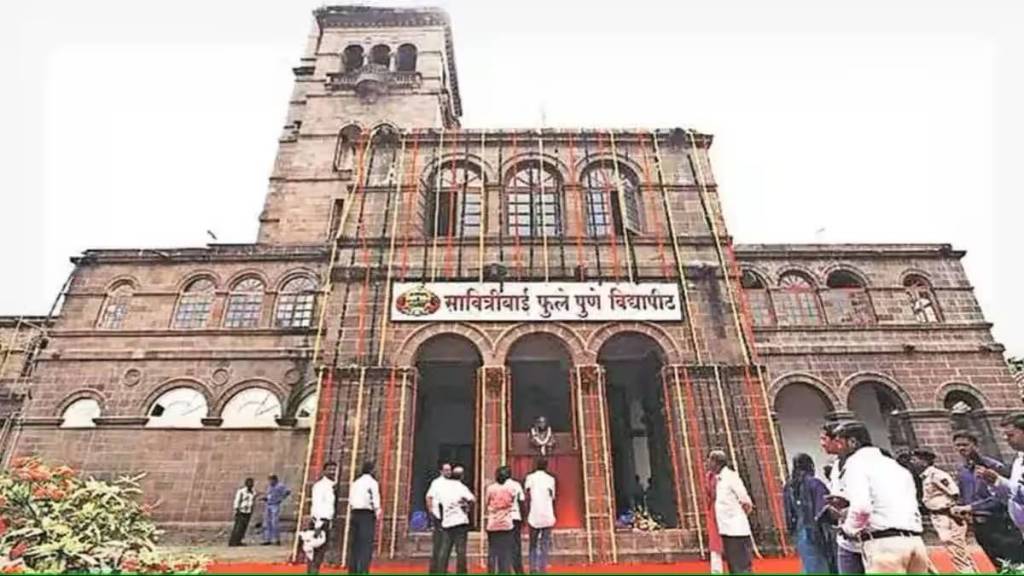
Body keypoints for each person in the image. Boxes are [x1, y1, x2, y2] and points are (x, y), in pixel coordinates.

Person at [834, 421, 933, 573]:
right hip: (915, 541)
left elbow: (862, 508)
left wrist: (849, 529)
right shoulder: (896, 466)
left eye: (840, 443)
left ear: (853, 442)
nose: (837, 448)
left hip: (884, 544)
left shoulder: (856, 463)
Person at [949, 430, 1023, 566]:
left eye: (965, 444)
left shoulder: (993, 466)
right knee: (998, 565)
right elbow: (965, 496)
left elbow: (1003, 496)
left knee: (1014, 564)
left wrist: (971, 507)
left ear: (975, 445)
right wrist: (961, 509)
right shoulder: (963, 471)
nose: (961, 448)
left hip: (1000, 523)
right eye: (958, 445)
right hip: (979, 525)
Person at [910, 448, 976, 573]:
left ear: (924, 461)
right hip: (938, 516)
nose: (913, 462)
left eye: (915, 459)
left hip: (947, 515)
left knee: (956, 549)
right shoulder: (925, 477)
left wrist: (952, 510)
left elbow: (954, 492)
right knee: (956, 551)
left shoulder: (936, 475)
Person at [820, 421, 860, 575]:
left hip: (867, 534)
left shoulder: (861, 463)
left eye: (825, 439)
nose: (822, 444)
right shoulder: (836, 465)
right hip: (846, 537)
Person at [783, 453, 831, 574]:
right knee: (820, 563)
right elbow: (824, 508)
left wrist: (791, 530)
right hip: (816, 530)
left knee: (808, 562)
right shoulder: (815, 483)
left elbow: (788, 511)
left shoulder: (788, 486)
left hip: (799, 530)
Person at [707, 450, 753, 574]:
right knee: (733, 565)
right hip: (725, 529)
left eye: (710, 460)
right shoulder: (716, 479)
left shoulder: (731, 477)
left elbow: (745, 501)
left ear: (717, 463)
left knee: (741, 565)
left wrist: (738, 517)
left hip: (736, 530)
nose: (708, 463)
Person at [977, 413, 1024, 534]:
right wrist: (993, 483)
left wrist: (1000, 481)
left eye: (1010, 435)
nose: (1005, 438)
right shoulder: (1018, 460)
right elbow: (1011, 496)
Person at [436, 464, 475, 574]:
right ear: (462, 476)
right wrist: (467, 506)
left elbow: (438, 502)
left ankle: (441, 571)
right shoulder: (461, 487)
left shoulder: (444, 488)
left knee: (445, 549)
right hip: (460, 521)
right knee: (460, 550)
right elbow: (472, 499)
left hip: (447, 521)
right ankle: (461, 572)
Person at [347, 461, 382, 574]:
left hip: (355, 513)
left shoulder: (356, 482)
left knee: (355, 544)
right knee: (365, 544)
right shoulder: (372, 483)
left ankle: (352, 569)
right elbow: (375, 499)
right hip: (366, 514)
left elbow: (351, 500)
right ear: (372, 470)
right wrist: (378, 512)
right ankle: (363, 569)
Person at [525, 458, 556, 574]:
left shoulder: (530, 478)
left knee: (533, 544)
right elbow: (552, 496)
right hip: (547, 514)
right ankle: (543, 569)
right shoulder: (550, 479)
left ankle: (533, 568)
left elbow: (527, 493)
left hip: (534, 514)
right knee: (544, 544)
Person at [307, 462, 338, 575]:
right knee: (316, 551)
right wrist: (318, 523)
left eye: (334, 470)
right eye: (330, 469)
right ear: (324, 471)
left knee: (321, 551)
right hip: (319, 521)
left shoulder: (332, 485)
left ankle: (314, 572)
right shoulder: (320, 486)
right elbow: (317, 505)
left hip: (326, 521)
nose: (332, 472)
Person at [486, 466, 517, 574]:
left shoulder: (490, 488)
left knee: (492, 550)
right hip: (506, 523)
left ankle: (491, 571)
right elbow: (512, 501)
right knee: (505, 552)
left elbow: (487, 501)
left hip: (493, 523)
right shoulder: (511, 489)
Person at [426, 461, 453, 574]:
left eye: (449, 470)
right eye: (446, 470)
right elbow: (429, 497)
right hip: (439, 516)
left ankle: (443, 569)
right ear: (441, 471)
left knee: (446, 545)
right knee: (438, 544)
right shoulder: (436, 483)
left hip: (448, 516)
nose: (448, 472)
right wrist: (431, 512)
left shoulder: (452, 483)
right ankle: (434, 569)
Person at [503, 468, 527, 574]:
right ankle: (518, 570)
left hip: (503, 518)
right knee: (516, 545)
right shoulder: (516, 485)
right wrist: (523, 517)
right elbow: (521, 502)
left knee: (504, 544)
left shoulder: (498, 486)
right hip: (515, 517)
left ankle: (505, 569)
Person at [261, 474, 291, 545]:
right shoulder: (270, 487)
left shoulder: (280, 486)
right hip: (268, 504)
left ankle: (276, 539)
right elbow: (269, 495)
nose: (270, 482)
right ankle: (267, 539)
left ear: (275, 480)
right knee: (267, 522)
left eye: (271, 480)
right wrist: (265, 498)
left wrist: (281, 498)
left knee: (274, 522)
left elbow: (287, 491)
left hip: (275, 505)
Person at [229, 478, 256, 547]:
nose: (250, 484)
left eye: (251, 483)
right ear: (246, 484)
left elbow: (252, 501)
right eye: (249, 483)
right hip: (241, 511)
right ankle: (233, 541)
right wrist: (237, 509)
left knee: (243, 527)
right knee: (238, 527)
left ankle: (239, 540)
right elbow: (237, 500)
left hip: (248, 511)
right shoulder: (241, 491)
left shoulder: (253, 492)